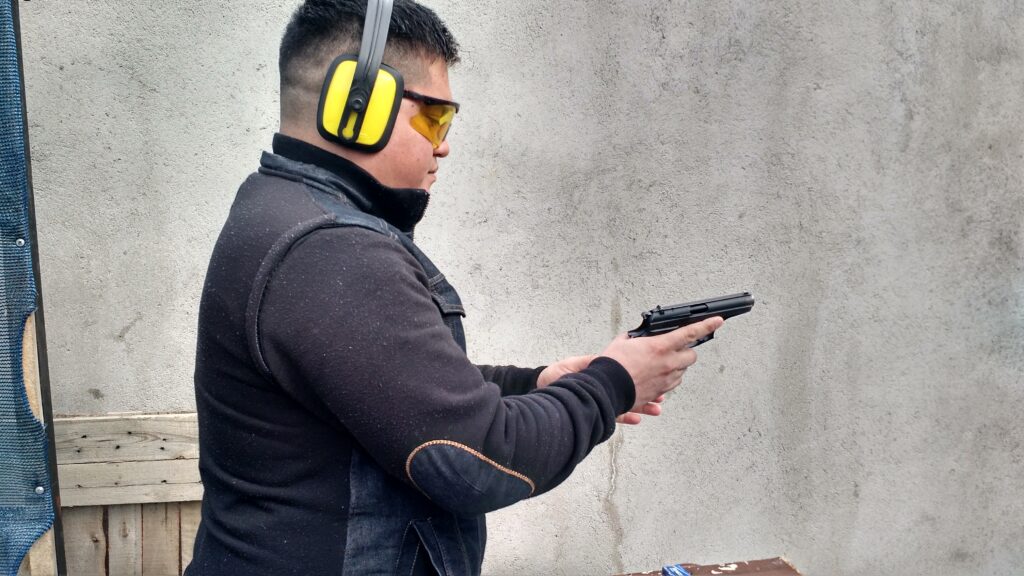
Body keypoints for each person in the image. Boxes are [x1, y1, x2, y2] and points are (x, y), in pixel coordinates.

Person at [186, 1, 724, 574]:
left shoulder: (284, 211)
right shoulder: (331, 249)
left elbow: (391, 386)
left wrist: (534, 383)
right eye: (436, 118)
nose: (444, 145)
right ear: (359, 105)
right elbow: (475, 460)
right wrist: (614, 384)